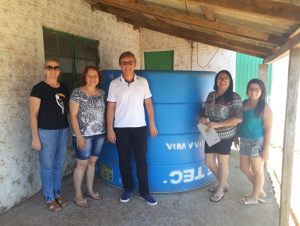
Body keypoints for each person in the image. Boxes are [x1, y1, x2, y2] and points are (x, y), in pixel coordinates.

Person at [106, 51, 158, 206]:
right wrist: (110, 128)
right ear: (120, 65)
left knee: (141, 160)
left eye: (130, 62)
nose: (127, 65)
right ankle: (127, 188)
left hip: (140, 127)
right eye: (124, 62)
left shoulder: (143, 82)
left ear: (135, 64)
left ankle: (144, 192)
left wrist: (152, 124)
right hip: (120, 128)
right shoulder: (114, 84)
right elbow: (110, 107)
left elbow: (148, 103)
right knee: (124, 160)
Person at [29, 59, 69, 212]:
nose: (53, 70)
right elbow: (33, 114)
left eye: (56, 68)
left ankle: (57, 193)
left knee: (58, 165)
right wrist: (35, 137)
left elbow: (68, 110)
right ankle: (49, 197)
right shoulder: (38, 88)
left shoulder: (64, 87)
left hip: (63, 130)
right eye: (49, 67)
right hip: (46, 132)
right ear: (45, 70)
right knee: (47, 166)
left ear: (59, 70)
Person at [199, 70, 242, 202]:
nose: (222, 80)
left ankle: (220, 189)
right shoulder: (211, 95)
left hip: (225, 134)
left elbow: (238, 119)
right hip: (209, 132)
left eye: (226, 78)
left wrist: (218, 125)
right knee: (208, 162)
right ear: (216, 80)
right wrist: (202, 118)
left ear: (230, 82)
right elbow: (204, 111)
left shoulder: (234, 97)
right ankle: (223, 183)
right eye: (220, 78)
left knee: (222, 163)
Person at [69, 66, 106, 208]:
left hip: (99, 134)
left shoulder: (102, 93)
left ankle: (90, 190)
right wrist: (78, 135)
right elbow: (72, 116)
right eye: (89, 76)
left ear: (99, 78)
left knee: (92, 162)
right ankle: (78, 194)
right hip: (83, 135)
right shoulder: (77, 93)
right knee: (82, 164)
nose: (92, 79)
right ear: (84, 77)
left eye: (95, 76)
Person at [234, 79, 272, 205]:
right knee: (244, 167)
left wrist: (266, 149)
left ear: (262, 91)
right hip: (244, 140)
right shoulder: (244, 103)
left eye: (256, 89)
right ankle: (259, 190)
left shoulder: (265, 107)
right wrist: (236, 136)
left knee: (257, 170)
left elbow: (268, 129)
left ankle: (254, 197)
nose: (253, 92)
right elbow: (240, 121)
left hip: (256, 142)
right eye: (250, 89)